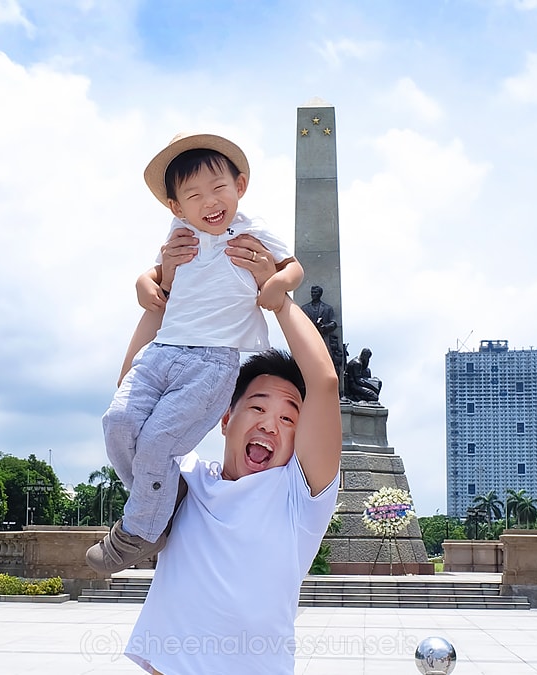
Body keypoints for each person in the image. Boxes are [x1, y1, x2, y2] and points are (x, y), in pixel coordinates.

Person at [87, 133, 304, 574]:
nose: (210, 201)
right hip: (162, 351)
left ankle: (141, 531)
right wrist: (144, 282)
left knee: (157, 441)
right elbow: (157, 275)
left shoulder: (252, 228)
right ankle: (163, 497)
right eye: (194, 194)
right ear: (176, 207)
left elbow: (293, 267)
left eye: (219, 188)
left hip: (212, 360)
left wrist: (279, 284)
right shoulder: (179, 233)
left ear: (240, 186)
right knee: (117, 423)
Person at [122, 272, 342, 673]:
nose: (269, 426)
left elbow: (325, 383)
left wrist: (280, 303)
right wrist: (157, 305)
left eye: (288, 418)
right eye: (257, 407)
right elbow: (132, 403)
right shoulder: (186, 479)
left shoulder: (299, 497)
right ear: (226, 418)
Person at [300, 285, 342, 371]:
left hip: (323, 338)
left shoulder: (327, 308)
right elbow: (299, 323)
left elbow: (333, 323)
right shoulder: (304, 308)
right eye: (312, 292)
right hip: (308, 339)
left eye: (315, 292)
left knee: (326, 361)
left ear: (320, 294)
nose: (313, 294)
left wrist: (324, 327)